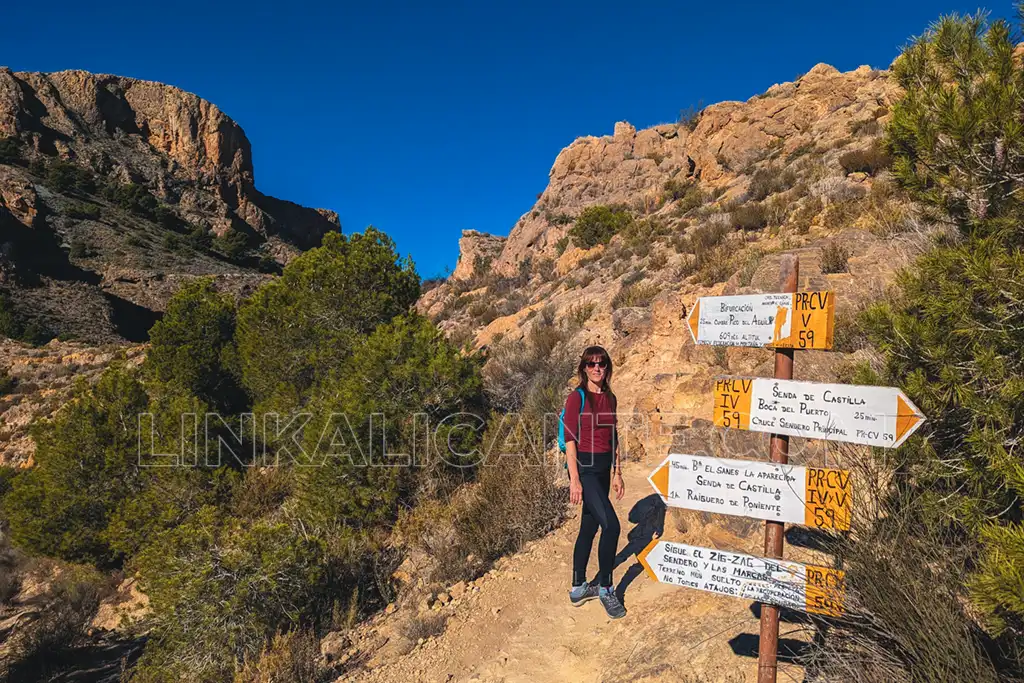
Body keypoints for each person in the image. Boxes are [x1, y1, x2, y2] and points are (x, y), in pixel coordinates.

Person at [562, 345, 626, 619]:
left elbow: (614, 437)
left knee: (589, 527)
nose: (597, 368)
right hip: (585, 469)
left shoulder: (610, 398)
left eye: (601, 364)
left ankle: (578, 588)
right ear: (584, 368)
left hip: (602, 468)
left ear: (607, 367)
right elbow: (570, 440)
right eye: (591, 364)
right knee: (611, 526)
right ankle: (606, 588)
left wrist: (618, 471)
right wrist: (575, 479)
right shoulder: (577, 398)